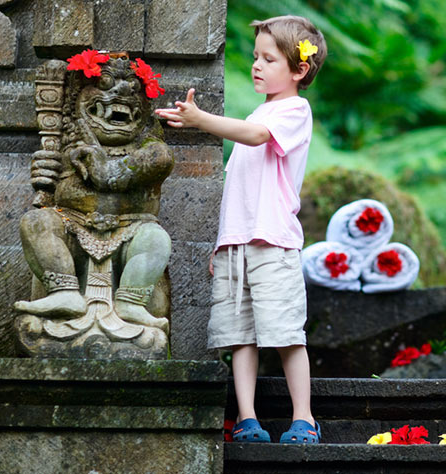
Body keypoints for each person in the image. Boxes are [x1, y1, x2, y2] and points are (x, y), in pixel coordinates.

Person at [155, 15, 327, 444]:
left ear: (299, 70)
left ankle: (303, 418)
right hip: (236, 246)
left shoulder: (293, 110)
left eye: (269, 59)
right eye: (255, 57)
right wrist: (222, 245)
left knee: (286, 333)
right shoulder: (261, 110)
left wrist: (201, 119)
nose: (257, 65)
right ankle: (247, 418)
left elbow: (253, 136)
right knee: (239, 335)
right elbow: (239, 194)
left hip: (273, 243)